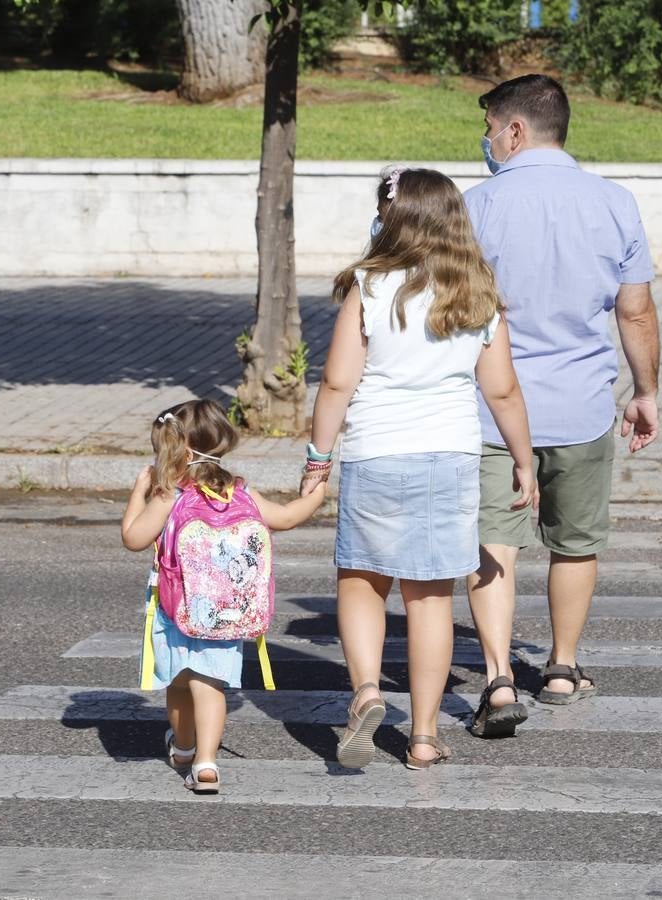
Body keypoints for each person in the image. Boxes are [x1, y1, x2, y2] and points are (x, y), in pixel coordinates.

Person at [300, 167, 537, 770]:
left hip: (378, 451)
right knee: (430, 600)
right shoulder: (478, 289)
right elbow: (504, 391)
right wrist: (523, 459)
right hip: (450, 457)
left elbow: (335, 382)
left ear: (393, 218)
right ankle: (425, 736)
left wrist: (318, 458)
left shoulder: (368, 286)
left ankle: (368, 693)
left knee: (362, 581)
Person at [464, 74, 661, 736]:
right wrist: (647, 391)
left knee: (495, 541)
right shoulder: (615, 203)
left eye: (490, 128)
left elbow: (456, 312)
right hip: (581, 407)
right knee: (575, 544)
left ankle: (495, 678)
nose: (486, 140)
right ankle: (560, 666)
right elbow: (633, 309)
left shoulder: (477, 206)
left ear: (516, 131)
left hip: (492, 412)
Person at [121, 399, 325, 794]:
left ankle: (183, 749)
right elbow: (286, 518)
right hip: (228, 613)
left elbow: (133, 538)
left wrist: (139, 491)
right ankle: (207, 764)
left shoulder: (169, 495)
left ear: (175, 449)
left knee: (180, 683)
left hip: (176, 608)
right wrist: (315, 494)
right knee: (209, 684)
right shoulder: (239, 491)